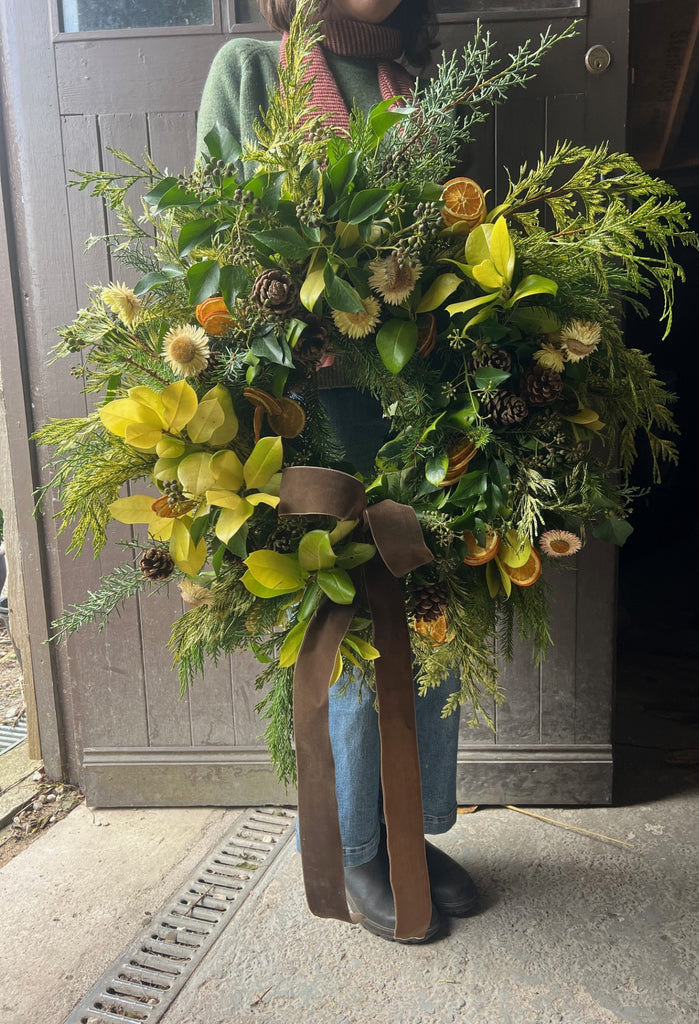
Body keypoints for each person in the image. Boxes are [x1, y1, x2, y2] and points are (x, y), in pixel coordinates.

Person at [196, 0, 478, 943]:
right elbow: (213, 251)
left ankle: (413, 829)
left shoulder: (414, 84)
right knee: (352, 630)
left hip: (419, 416)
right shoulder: (253, 72)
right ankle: (360, 846)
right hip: (311, 421)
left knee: (430, 621)